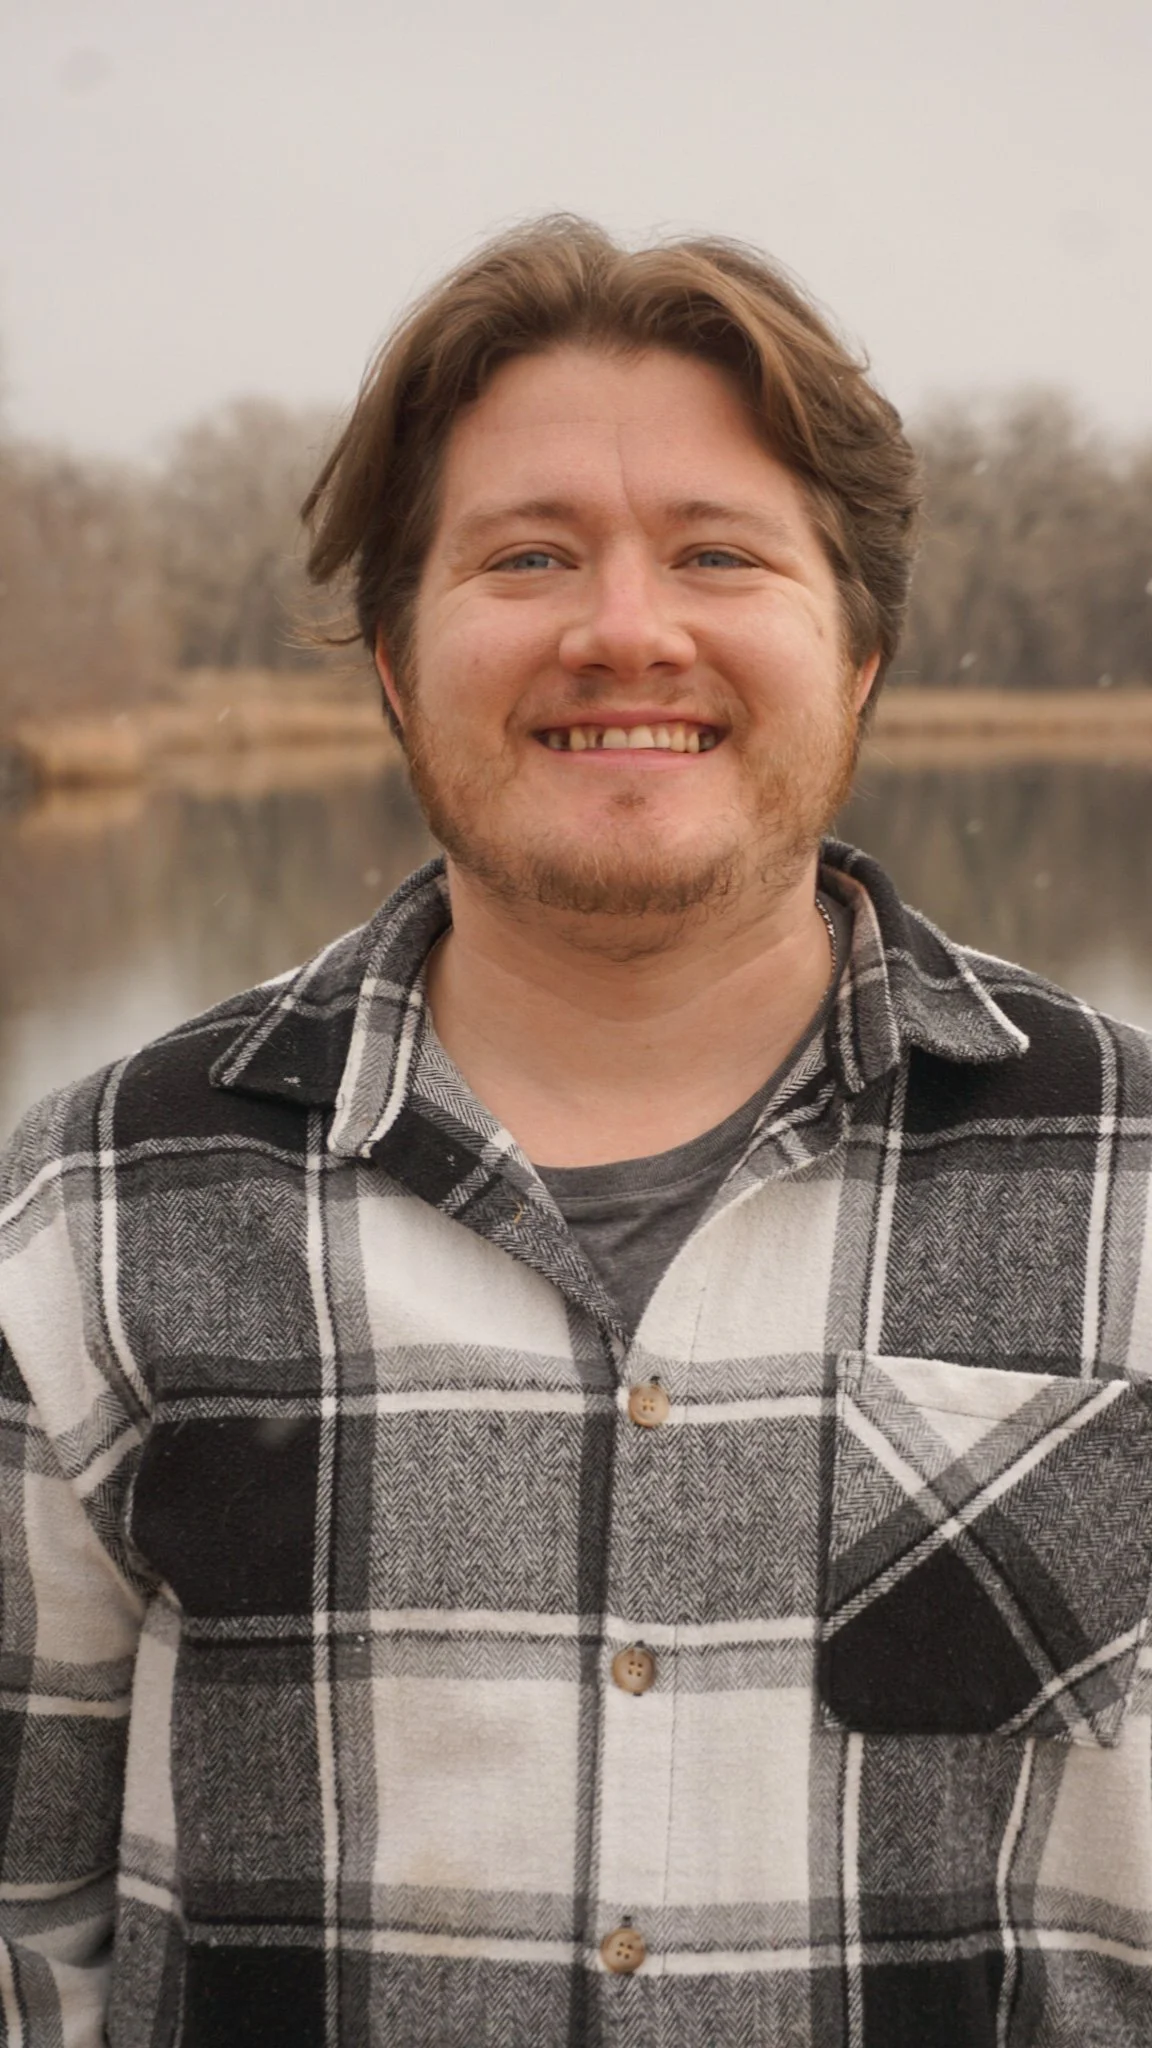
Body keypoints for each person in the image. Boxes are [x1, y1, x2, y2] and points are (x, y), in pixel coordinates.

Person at [1, 217, 1151, 2048]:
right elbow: (22, 1932)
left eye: (719, 552)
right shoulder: (95, 1211)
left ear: (857, 657)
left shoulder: (1135, 1187)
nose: (627, 628)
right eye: (528, 555)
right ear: (395, 659)